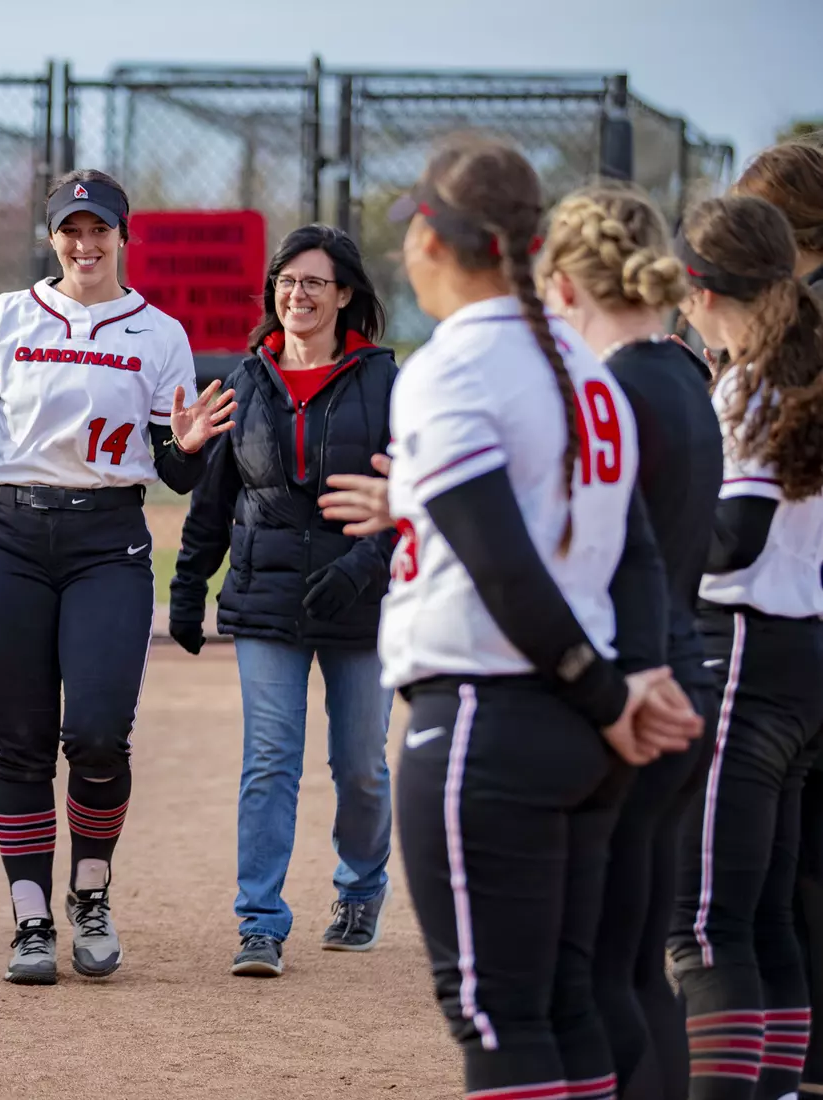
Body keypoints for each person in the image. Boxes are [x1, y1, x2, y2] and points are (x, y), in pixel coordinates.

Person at [324, 135, 702, 1100]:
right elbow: (638, 556)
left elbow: (500, 563)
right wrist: (633, 678)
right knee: (566, 1006)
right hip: (578, 729)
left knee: (495, 1016)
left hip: (492, 715)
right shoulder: (584, 363)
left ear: (430, 239)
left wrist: (607, 688)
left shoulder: (456, 366)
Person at [0, 169, 237, 985]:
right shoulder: (7, 316)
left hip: (109, 542)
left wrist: (195, 447)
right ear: (53, 236)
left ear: (122, 236)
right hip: (13, 540)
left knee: (98, 735)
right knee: (22, 745)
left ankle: (90, 895)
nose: (84, 243)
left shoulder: (159, 333)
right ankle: (31, 920)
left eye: (99, 229)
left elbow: (171, 470)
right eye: (70, 229)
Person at [531, 186, 723, 1099]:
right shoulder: (686, 371)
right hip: (680, 669)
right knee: (642, 970)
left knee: (593, 975)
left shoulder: (610, 392)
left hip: (628, 688)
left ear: (563, 283)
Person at [169, 225, 397, 978]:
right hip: (266, 595)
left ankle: (360, 888)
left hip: (359, 601)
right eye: (287, 282)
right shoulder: (245, 382)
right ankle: (260, 922)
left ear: (346, 295)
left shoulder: (387, 384)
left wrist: (362, 569)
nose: (297, 296)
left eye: (314, 283)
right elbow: (214, 496)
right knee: (270, 758)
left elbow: (408, 501)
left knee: (360, 762)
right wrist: (187, 585)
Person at [665, 194, 823, 1100]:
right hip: (797, 660)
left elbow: (736, 537)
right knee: (763, 921)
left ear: (699, 286)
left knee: (702, 929)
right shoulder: (796, 366)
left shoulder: (753, 379)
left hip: (744, 663)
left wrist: (642, 538)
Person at [729, 141, 823, 1100]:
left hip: (771, 630)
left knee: (733, 904)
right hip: (805, 620)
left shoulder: (782, 344)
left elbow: (736, 534)